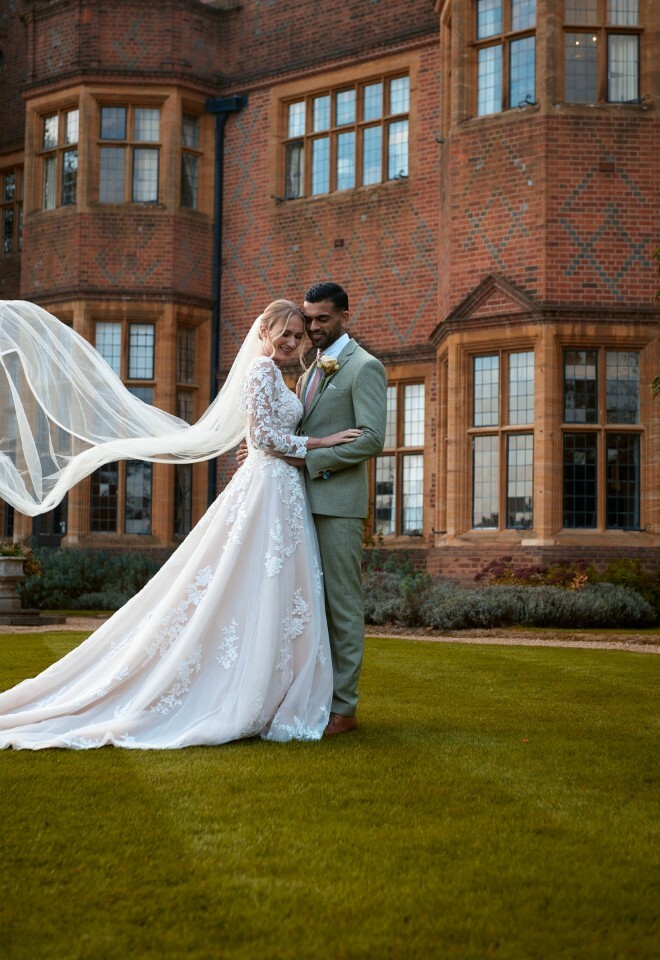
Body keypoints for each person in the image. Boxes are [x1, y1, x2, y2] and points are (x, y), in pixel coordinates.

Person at [0, 300, 362, 750]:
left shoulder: (280, 374)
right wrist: (321, 441)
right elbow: (263, 436)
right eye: (283, 333)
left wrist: (272, 447)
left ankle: (275, 687)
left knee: (274, 584)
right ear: (264, 331)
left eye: (296, 335)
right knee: (255, 579)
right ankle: (250, 690)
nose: (291, 341)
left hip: (282, 489)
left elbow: (262, 438)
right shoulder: (261, 370)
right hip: (269, 490)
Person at [299, 282, 388, 736]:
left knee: (342, 607)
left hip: (338, 507)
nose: (313, 327)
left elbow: (372, 438)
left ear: (344, 317)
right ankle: (310, 699)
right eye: (308, 319)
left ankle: (344, 709)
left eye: (323, 318)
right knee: (305, 604)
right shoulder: (307, 372)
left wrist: (311, 462)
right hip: (298, 504)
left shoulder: (365, 367)